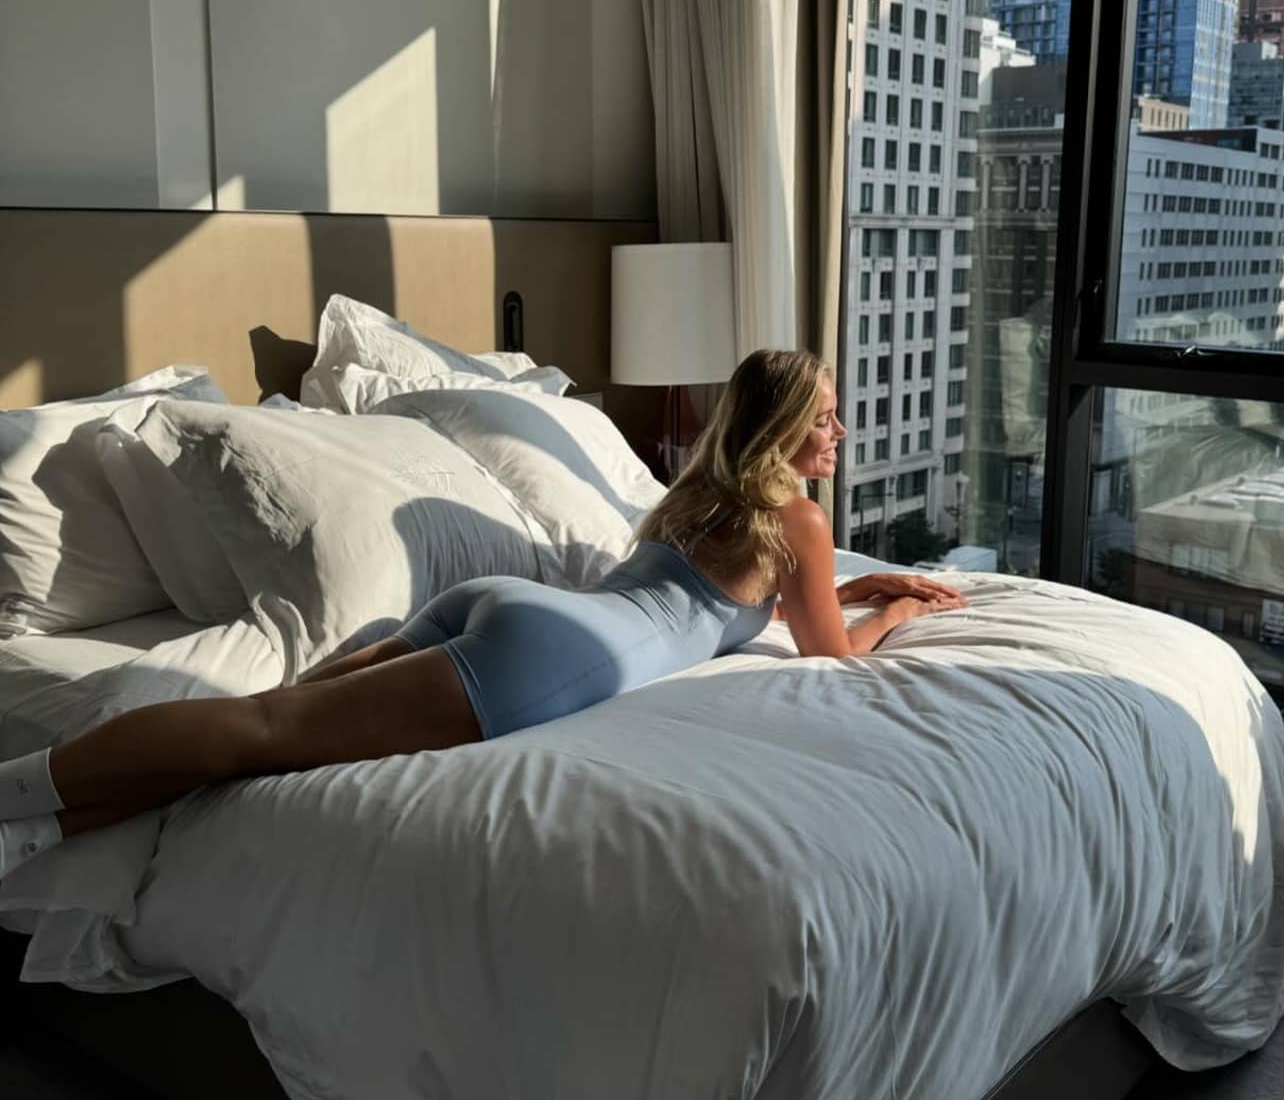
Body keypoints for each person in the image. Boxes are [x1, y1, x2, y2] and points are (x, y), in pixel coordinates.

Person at [0, 349, 967, 878]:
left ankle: (35, 834)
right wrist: (890, 612)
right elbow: (832, 656)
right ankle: (12, 790)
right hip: (545, 660)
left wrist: (844, 586)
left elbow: (716, 596)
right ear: (782, 426)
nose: (840, 431)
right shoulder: (797, 519)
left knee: (257, 737)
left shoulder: (701, 494)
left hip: (513, 609)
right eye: (825, 416)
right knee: (261, 733)